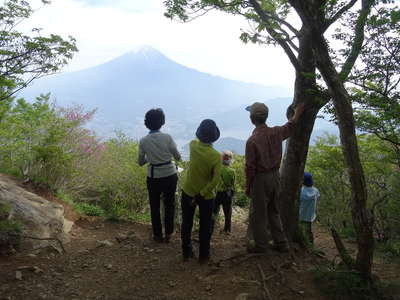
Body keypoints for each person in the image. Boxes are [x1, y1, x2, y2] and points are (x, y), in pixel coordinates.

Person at [245, 101, 304, 253]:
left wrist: (248, 186)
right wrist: (298, 112)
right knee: (273, 210)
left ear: (252, 119)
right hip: (275, 176)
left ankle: (262, 246)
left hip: (260, 179)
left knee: (259, 214)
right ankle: (281, 243)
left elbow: (250, 168)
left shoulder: (252, 141)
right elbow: (290, 126)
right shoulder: (276, 132)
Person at [180, 119, 221, 264]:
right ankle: (204, 256)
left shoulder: (192, 145)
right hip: (206, 197)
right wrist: (202, 194)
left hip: (188, 192)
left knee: (186, 223)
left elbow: (195, 141)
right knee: (205, 226)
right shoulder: (216, 156)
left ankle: (186, 252)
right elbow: (215, 181)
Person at [138, 108, 181, 243]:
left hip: (153, 176)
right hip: (170, 174)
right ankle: (169, 233)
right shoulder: (167, 137)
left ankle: (157, 235)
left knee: (154, 205)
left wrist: (149, 158)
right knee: (169, 204)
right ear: (162, 122)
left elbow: (140, 162)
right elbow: (177, 156)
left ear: (146, 123)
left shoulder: (144, 141)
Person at [211, 150, 236, 235]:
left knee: (214, 211)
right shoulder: (232, 171)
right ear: (230, 160)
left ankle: (211, 227)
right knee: (227, 213)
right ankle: (227, 230)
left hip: (218, 193)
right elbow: (233, 184)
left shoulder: (218, 169)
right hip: (227, 194)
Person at [299, 172, 320, 245]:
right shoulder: (316, 190)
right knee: (308, 231)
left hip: (300, 215)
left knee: (301, 230)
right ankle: (311, 245)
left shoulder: (301, 191)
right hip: (310, 216)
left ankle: (304, 244)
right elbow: (318, 200)